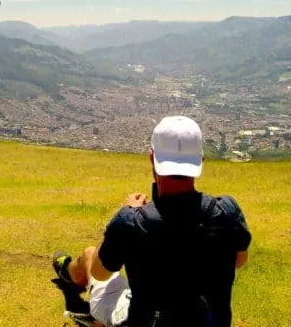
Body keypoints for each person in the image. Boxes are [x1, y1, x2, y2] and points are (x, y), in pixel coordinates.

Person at [51, 115, 252, 327]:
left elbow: (101, 274)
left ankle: (69, 271)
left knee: (90, 254)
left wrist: (124, 214)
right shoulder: (227, 211)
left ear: (151, 158)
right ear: (200, 161)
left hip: (145, 319)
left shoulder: (130, 221)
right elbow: (239, 261)